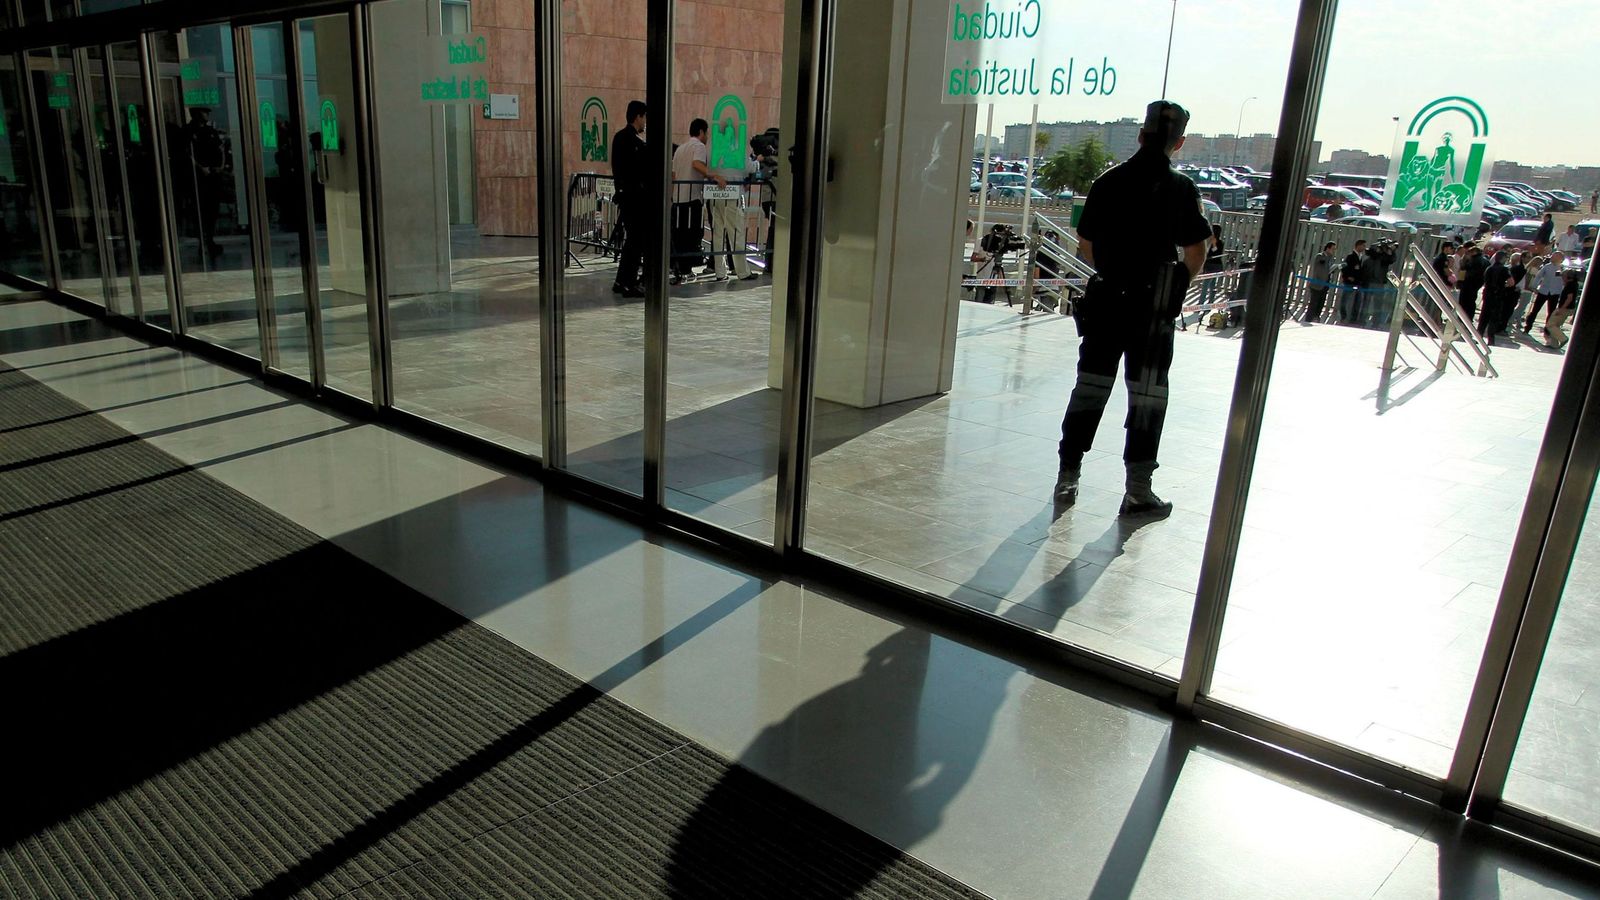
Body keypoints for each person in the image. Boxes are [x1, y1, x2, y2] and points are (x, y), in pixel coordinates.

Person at [1055, 100, 1210, 519]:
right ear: (1179, 142)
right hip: (1153, 308)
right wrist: (1175, 285)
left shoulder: (1108, 181)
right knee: (1148, 397)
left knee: (1090, 387)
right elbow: (1196, 250)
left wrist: (1113, 270)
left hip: (1107, 301)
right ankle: (1138, 490)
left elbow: (1086, 242)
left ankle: (1068, 474)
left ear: (1141, 136)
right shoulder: (1181, 188)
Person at [707, 129, 760, 282]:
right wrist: (758, 161)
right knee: (736, 234)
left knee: (718, 235)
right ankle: (743, 272)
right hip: (732, 195)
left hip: (715, 195)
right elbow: (749, 167)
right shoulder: (736, 149)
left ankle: (720, 272)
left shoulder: (714, 150)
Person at [179, 107, 230, 264]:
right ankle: (203, 242)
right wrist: (201, 168)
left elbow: (221, 149)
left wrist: (221, 166)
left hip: (213, 176)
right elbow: (187, 153)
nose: (207, 115)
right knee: (200, 211)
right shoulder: (187, 131)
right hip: (198, 178)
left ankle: (210, 240)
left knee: (212, 211)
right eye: (204, 112)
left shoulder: (210, 131)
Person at [610, 100, 648, 298]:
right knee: (636, 241)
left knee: (631, 240)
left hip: (625, 196)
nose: (645, 122)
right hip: (634, 199)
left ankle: (620, 281)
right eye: (644, 117)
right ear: (638, 117)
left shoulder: (620, 137)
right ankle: (629, 283)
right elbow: (638, 170)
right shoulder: (632, 141)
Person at [669, 119, 712, 283]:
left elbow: (674, 175)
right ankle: (686, 268)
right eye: (706, 133)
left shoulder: (680, 149)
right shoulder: (699, 147)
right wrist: (713, 175)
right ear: (701, 132)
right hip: (692, 197)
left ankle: (679, 267)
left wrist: (673, 195)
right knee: (692, 235)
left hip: (678, 198)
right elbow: (696, 164)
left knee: (679, 234)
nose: (707, 137)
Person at [1479, 250, 1512, 345]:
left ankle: (1479, 335)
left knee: (1484, 316)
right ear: (1503, 259)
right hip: (1498, 295)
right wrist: (1504, 285)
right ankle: (1491, 339)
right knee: (1494, 318)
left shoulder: (1489, 268)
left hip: (1487, 294)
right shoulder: (1505, 269)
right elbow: (1511, 282)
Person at [1526, 252, 1565, 331]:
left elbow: (1560, 280)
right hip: (1544, 290)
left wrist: (1561, 291)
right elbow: (1539, 276)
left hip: (1555, 292)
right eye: (1552, 256)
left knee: (1551, 312)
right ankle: (1528, 326)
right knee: (1535, 310)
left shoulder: (1561, 268)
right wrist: (1534, 286)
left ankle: (1547, 329)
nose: (1552, 258)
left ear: (1560, 259)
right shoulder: (1547, 267)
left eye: (1554, 257)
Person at [1304, 241, 1335, 323]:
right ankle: (1309, 318)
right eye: (1332, 249)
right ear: (1328, 248)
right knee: (1314, 302)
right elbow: (1321, 266)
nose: (1333, 251)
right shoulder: (1320, 256)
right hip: (1317, 283)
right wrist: (1328, 257)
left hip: (1325, 283)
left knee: (1321, 302)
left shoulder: (1330, 258)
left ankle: (1316, 317)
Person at [1339, 239, 1367, 325]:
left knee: (1358, 301)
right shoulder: (1350, 256)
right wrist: (1348, 277)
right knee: (1345, 300)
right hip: (1349, 283)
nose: (1364, 248)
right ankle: (1343, 317)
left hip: (1357, 283)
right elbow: (1344, 267)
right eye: (1363, 246)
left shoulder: (1360, 257)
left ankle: (1353, 318)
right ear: (1358, 245)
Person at [1457, 243, 1487, 324]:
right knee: (1471, 302)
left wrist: (1460, 282)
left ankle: (1462, 319)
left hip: (1468, 284)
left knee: (1464, 303)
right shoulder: (1484, 260)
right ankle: (1469, 318)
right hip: (1476, 285)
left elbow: (1464, 271)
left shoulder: (1473, 261)